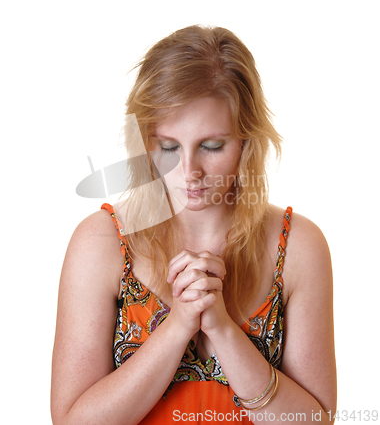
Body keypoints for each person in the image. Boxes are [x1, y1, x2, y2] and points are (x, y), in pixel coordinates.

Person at [51, 25, 337, 424]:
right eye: (168, 147)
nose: (189, 171)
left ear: (246, 142)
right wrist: (178, 326)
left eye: (211, 146)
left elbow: (314, 421)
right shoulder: (101, 242)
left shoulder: (298, 247)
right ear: (145, 140)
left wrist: (221, 329)